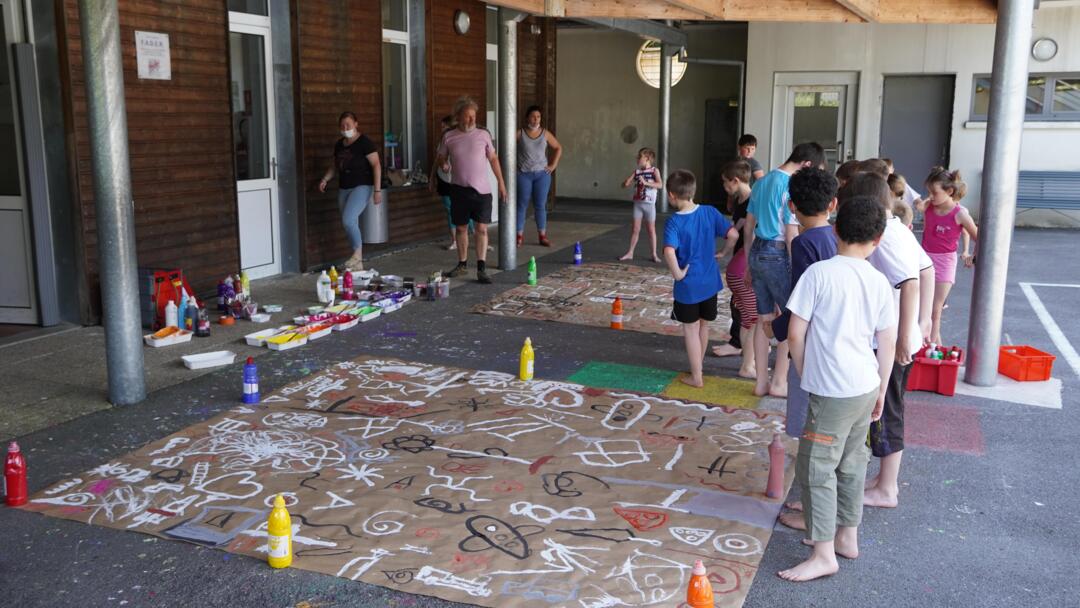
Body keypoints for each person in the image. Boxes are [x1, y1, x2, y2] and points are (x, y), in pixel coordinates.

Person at [778, 195, 897, 583]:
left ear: (835, 229)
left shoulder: (819, 274)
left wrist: (803, 370)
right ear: (877, 239)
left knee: (817, 467)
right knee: (852, 462)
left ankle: (824, 552)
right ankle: (848, 536)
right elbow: (887, 341)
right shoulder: (879, 281)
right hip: (865, 385)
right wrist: (880, 388)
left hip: (831, 390)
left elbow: (796, 333)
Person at [839, 174, 934, 511]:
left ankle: (887, 488)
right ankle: (882, 481)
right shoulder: (896, 228)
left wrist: (909, 332)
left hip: (892, 340)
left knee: (886, 409)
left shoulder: (889, 237)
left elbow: (909, 281)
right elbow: (928, 269)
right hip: (897, 335)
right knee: (889, 406)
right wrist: (924, 322)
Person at [774, 167, 840, 532]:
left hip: (811, 347)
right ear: (833, 203)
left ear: (792, 205)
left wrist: (777, 327)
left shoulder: (804, 244)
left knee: (809, 431)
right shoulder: (837, 237)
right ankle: (816, 502)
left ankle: (811, 507)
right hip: (837, 343)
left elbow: (801, 301)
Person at [744, 142, 826, 398]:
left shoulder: (762, 181)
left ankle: (760, 382)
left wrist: (749, 263)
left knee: (763, 318)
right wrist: (798, 269)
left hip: (757, 250)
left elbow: (748, 227)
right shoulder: (790, 186)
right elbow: (791, 234)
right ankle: (779, 382)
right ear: (808, 165)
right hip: (779, 252)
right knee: (788, 319)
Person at [662, 170, 739, 388]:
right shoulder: (710, 212)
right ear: (692, 191)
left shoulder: (674, 222)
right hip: (710, 282)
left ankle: (696, 376)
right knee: (703, 326)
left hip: (688, 286)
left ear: (672, 195)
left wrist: (677, 274)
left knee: (690, 329)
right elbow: (733, 235)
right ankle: (699, 367)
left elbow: (669, 251)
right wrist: (724, 252)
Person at [434, 96, 509, 284]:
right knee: (460, 228)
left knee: (481, 229)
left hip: (482, 191)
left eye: (474, 116)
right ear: (458, 117)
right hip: (459, 189)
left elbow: (493, 159)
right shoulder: (449, 136)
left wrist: (501, 183)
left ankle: (481, 268)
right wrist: (443, 164)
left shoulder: (483, 134)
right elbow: (441, 156)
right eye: (468, 116)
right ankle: (462, 264)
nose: (472, 120)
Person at [920, 167, 978, 346]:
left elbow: (978, 236)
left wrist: (972, 255)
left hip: (945, 262)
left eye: (934, 192)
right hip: (924, 260)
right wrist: (923, 203)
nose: (930, 196)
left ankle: (929, 348)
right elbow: (919, 205)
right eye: (928, 192)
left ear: (950, 191)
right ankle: (936, 346)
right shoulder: (929, 206)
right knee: (922, 307)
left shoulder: (960, 214)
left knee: (935, 310)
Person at [319, 111, 382, 270]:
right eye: (342, 125)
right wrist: (325, 179)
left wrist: (377, 190)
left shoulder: (364, 142)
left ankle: (357, 255)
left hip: (362, 185)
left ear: (356, 124)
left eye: (348, 124)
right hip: (344, 187)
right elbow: (335, 165)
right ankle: (358, 263)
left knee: (348, 219)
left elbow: (376, 165)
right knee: (349, 223)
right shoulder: (339, 144)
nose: (345, 127)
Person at [714, 161, 756, 376]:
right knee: (747, 314)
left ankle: (744, 348)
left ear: (736, 180)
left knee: (747, 313)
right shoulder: (741, 202)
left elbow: (740, 231)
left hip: (743, 264)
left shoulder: (751, 202)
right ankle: (746, 355)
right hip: (742, 264)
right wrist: (726, 252)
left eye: (725, 182)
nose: (724, 187)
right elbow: (736, 231)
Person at [516, 105, 563, 247]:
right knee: (521, 205)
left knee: (540, 205)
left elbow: (558, 148)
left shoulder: (545, 133)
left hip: (542, 175)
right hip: (523, 174)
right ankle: (518, 235)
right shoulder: (520, 133)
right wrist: (512, 167)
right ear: (527, 118)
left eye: (538, 117)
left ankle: (542, 235)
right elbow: (506, 148)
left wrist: (553, 166)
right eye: (533, 116)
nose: (536, 119)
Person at [430, 114, 472, 250]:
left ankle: (477, 236)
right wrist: (432, 178)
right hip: (444, 179)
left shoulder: (460, 139)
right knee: (450, 210)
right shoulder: (443, 141)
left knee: (467, 209)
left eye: (444, 126)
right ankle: (454, 240)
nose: (442, 129)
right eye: (441, 127)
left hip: (460, 179)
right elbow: (438, 160)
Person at [619, 148, 663, 263]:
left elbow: (660, 184)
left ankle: (654, 254)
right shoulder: (637, 172)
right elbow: (625, 184)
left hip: (649, 205)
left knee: (651, 229)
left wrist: (646, 183)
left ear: (647, 158)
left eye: (639, 157)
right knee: (635, 229)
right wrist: (625, 183)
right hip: (638, 204)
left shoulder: (654, 171)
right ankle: (630, 252)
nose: (637, 159)